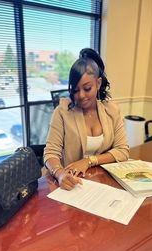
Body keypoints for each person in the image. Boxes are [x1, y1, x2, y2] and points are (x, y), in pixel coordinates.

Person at [43, 48, 129, 190]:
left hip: (100, 181)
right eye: (75, 90)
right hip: (69, 183)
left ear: (98, 83)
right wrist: (59, 174)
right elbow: (50, 153)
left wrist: (89, 161)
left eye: (87, 88)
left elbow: (122, 151)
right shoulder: (62, 112)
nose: (81, 95)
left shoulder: (112, 110)